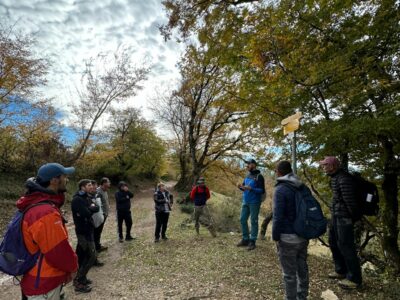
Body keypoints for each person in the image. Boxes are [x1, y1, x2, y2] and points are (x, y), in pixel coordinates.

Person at [17, 163, 78, 299]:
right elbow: (57, 251)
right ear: (54, 180)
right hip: (43, 282)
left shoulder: (36, 203)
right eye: (65, 176)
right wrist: (73, 267)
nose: (67, 179)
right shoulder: (45, 212)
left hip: (35, 276)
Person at [320, 156, 362, 289]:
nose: (323, 167)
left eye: (325, 165)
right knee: (333, 242)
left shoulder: (344, 179)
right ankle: (341, 271)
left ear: (332, 166)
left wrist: (352, 218)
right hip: (336, 216)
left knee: (346, 246)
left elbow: (350, 202)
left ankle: (355, 279)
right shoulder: (334, 178)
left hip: (344, 217)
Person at [272, 161, 309, 300]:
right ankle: (302, 296)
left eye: (276, 171)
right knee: (302, 269)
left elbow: (277, 216)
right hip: (303, 236)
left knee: (289, 274)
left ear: (279, 172)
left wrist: (276, 236)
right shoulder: (301, 186)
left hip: (287, 238)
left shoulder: (281, 189)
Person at [71, 179, 100, 293]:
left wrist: (90, 208)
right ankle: (78, 280)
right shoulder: (77, 199)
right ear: (82, 187)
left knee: (83, 255)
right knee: (91, 255)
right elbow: (86, 213)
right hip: (83, 232)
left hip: (89, 229)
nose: (91, 186)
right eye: (89, 185)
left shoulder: (87, 197)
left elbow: (96, 207)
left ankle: (82, 277)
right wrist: (90, 208)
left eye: (92, 184)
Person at [237, 159, 266, 250]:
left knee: (254, 221)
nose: (247, 166)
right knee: (242, 219)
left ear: (253, 165)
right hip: (245, 201)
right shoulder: (247, 175)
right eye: (247, 164)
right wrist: (240, 187)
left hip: (255, 202)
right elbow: (244, 188)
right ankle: (245, 239)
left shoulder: (259, 176)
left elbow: (262, 190)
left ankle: (252, 241)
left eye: (248, 164)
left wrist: (251, 189)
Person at [88, 180, 104, 267]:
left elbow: (99, 207)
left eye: (95, 185)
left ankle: (97, 251)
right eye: (92, 186)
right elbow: (93, 208)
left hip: (99, 219)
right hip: (92, 222)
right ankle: (93, 259)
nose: (94, 187)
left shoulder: (98, 194)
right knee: (92, 240)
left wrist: (103, 215)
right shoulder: (88, 197)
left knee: (97, 237)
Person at [94, 177, 111, 253]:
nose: (109, 183)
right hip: (101, 215)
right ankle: (96, 247)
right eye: (108, 182)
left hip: (105, 214)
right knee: (97, 230)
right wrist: (102, 214)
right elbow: (97, 204)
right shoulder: (98, 191)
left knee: (99, 231)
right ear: (104, 183)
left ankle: (97, 245)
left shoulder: (105, 191)